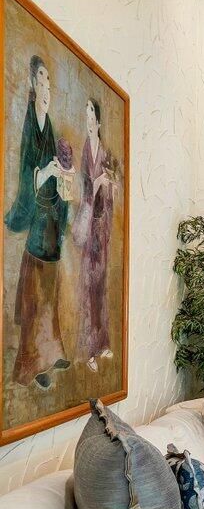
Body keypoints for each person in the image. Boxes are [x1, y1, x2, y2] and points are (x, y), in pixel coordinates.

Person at [5, 55, 72, 390]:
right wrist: (44, 172)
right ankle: (32, 364)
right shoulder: (31, 123)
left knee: (51, 293)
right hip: (36, 221)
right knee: (35, 296)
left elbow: (56, 167)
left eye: (49, 82)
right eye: (42, 80)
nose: (46, 87)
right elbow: (26, 172)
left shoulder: (50, 124)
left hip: (51, 220)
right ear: (33, 84)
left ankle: (52, 352)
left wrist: (62, 177)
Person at [71, 97, 115, 371]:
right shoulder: (85, 151)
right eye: (85, 119)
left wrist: (109, 186)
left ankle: (102, 343)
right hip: (89, 229)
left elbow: (110, 193)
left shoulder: (105, 153)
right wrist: (97, 184)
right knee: (88, 286)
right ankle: (88, 351)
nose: (88, 124)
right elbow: (84, 190)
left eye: (91, 119)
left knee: (101, 285)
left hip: (101, 226)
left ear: (98, 122)